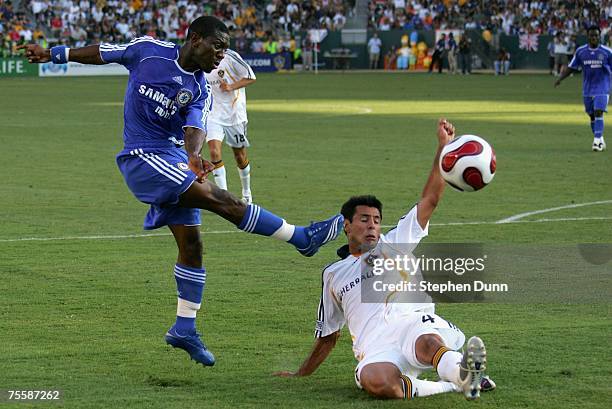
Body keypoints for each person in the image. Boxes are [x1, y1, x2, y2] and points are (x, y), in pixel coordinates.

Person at [19, 16, 344, 367]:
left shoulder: (201, 88)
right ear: (195, 39)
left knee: (192, 245)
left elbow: (195, 126)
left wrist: (192, 156)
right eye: (217, 46)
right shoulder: (148, 51)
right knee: (220, 200)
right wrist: (54, 53)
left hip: (173, 157)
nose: (221, 55)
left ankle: (184, 327)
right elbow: (102, 51)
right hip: (142, 156)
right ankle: (301, 238)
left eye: (225, 49)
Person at [275, 119, 495, 401]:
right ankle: (454, 383)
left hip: (415, 325)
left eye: (377, 220)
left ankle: (462, 373)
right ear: (347, 225)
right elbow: (329, 335)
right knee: (377, 382)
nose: (372, 226)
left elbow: (429, 200)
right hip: (376, 345)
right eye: (364, 220)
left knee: (427, 343)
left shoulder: (394, 243)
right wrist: (300, 373)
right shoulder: (333, 274)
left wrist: (442, 149)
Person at [205, 49, 256, 204]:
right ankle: (224, 198)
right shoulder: (200, 59)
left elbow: (251, 77)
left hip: (235, 115)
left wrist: (231, 86)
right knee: (214, 152)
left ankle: (246, 193)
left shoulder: (230, 56)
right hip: (213, 114)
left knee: (240, 157)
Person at [555, 26, 611, 152]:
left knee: (598, 112)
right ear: (588, 36)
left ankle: (596, 142)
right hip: (587, 88)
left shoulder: (607, 52)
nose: (594, 38)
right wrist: (560, 79)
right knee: (591, 115)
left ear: (599, 36)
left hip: (603, 87)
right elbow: (572, 67)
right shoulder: (581, 52)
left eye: (596, 35)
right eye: (591, 36)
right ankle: (600, 138)